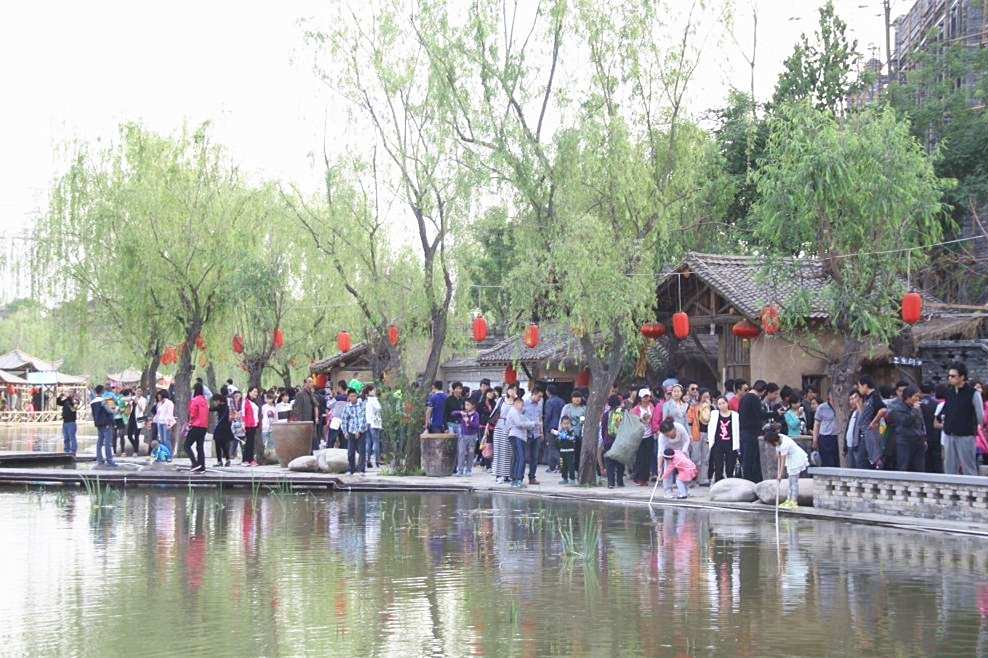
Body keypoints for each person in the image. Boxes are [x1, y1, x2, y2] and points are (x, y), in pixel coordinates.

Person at [940, 361, 984, 475]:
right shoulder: (949, 392)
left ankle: (972, 490)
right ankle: (950, 489)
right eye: (949, 376)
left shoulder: (973, 393)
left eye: (953, 376)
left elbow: (980, 414)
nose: (950, 378)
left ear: (962, 377)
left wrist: (978, 427)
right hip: (949, 433)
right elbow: (946, 410)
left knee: (968, 466)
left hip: (966, 435)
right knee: (949, 466)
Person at [763, 425, 808, 509]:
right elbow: (778, 453)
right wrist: (777, 453)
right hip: (791, 458)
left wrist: (780, 474)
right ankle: (789, 499)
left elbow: (782, 462)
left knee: (793, 481)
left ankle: (794, 501)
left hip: (796, 458)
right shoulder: (779, 438)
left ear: (774, 441)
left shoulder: (784, 445)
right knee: (790, 480)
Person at [885, 385, 926, 472]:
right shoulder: (897, 408)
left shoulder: (917, 408)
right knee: (904, 465)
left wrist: (924, 437)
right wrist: (914, 411)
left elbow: (921, 422)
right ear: (908, 397)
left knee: (919, 467)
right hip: (905, 440)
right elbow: (904, 421)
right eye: (916, 396)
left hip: (918, 439)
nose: (918, 398)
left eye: (919, 396)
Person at [505, 395, 539, 488]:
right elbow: (519, 424)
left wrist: (530, 423)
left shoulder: (519, 413)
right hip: (516, 436)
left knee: (517, 458)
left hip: (519, 437)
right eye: (521, 404)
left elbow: (524, 421)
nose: (522, 407)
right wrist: (532, 424)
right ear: (516, 403)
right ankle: (518, 479)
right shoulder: (514, 411)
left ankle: (515, 479)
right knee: (521, 458)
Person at [855, 375, 887, 469]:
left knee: (871, 459)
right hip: (864, 433)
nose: (859, 389)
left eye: (859, 386)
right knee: (862, 460)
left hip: (871, 433)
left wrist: (874, 422)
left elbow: (883, 409)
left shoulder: (875, 397)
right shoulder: (867, 399)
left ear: (865, 385)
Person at [631, 389, 662, 486]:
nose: (647, 398)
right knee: (640, 458)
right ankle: (638, 477)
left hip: (649, 435)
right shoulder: (635, 409)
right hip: (639, 436)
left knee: (648, 457)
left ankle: (645, 478)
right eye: (645, 397)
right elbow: (632, 421)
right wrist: (641, 419)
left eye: (648, 396)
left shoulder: (652, 407)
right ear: (640, 398)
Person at [737, 380, 765, 482]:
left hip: (743, 431)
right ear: (762, 391)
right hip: (752, 432)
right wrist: (775, 413)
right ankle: (751, 480)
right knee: (752, 458)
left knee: (746, 457)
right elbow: (760, 414)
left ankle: (747, 478)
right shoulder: (754, 399)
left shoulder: (743, 399)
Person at [707, 396, 739, 482]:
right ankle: (718, 483)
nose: (722, 405)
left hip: (730, 443)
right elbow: (710, 428)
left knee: (730, 467)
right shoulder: (714, 414)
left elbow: (737, 430)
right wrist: (710, 441)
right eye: (719, 404)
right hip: (718, 443)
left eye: (723, 403)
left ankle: (729, 483)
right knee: (718, 466)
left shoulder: (735, 415)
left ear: (727, 403)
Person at [657, 418, 690, 498]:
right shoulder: (662, 437)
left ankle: (684, 490)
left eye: (669, 433)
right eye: (666, 435)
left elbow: (687, 440)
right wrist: (659, 468)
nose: (668, 436)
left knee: (684, 471)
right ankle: (667, 490)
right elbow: (661, 452)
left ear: (673, 429)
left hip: (682, 449)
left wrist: (683, 453)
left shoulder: (680, 428)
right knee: (667, 470)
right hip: (669, 452)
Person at [489, 385, 515, 483]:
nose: (512, 392)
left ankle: (507, 474)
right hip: (499, 426)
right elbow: (494, 412)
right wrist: (489, 426)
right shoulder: (501, 400)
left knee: (508, 451)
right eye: (511, 389)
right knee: (499, 451)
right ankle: (498, 474)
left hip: (510, 427)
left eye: (514, 390)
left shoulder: (517, 402)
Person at [687, 389, 712, 485]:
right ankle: (693, 477)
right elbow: (689, 421)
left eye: (708, 397)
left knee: (706, 457)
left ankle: (703, 478)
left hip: (707, 434)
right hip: (696, 433)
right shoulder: (694, 407)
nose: (706, 399)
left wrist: (710, 407)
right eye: (704, 396)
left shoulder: (711, 408)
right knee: (695, 457)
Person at [600, 394, 625, 488]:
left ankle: (610, 482)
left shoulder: (606, 414)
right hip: (620, 440)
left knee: (609, 462)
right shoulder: (622, 412)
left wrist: (604, 438)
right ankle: (620, 481)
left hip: (608, 440)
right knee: (620, 461)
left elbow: (603, 428)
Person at [341, 388, 368, 475]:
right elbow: (344, 419)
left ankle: (361, 470)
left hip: (361, 431)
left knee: (361, 451)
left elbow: (362, 418)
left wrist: (359, 431)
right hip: (351, 431)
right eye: (351, 396)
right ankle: (350, 469)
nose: (353, 398)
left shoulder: (361, 405)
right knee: (350, 452)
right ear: (348, 397)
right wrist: (344, 431)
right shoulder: (347, 407)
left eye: (354, 396)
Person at [560, 390, 587, 473]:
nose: (577, 399)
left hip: (580, 433)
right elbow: (562, 419)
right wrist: (561, 432)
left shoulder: (584, 408)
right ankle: (566, 469)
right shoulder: (567, 407)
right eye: (575, 397)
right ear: (571, 398)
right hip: (569, 433)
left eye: (579, 397)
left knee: (578, 452)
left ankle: (577, 469)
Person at [185, 382, 209, 474]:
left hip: (195, 425)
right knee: (200, 447)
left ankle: (195, 463)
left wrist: (189, 423)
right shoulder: (204, 400)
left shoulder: (195, 400)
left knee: (187, 445)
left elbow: (193, 414)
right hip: (203, 426)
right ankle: (202, 466)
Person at [90, 385, 117, 467]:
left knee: (99, 442)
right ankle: (109, 460)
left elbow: (93, 414)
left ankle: (100, 459)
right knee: (108, 442)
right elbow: (109, 411)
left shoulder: (92, 401)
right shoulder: (104, 400)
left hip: (98, 423)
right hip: (106, 423)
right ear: (102, 391)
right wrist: (115, 410)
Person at [452, 398, 480, 476]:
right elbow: (453, 413)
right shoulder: (463, 413)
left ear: (473, 405)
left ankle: (468, 469)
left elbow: (476, 425)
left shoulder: (475, 415)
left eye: (468, 405)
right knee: (461, 452)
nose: (466, 406)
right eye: (465, 405)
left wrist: (469, 422)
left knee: (470, 453)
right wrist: (460, 412)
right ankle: (460, 469)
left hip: (472, 437)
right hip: (463, 436)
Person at [919, 383, 943, 473]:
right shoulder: (937, 404)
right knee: (936, 459)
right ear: (932, 392)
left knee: (924, 460)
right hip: (935, 435)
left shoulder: (917, 405)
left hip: (922, 436)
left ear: (920, 392)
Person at [812, 391, 840, 467]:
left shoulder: (841, 406)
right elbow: (816, 424)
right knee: (826, 461)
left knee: (837, 461)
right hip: (825, 437)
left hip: (837, 437)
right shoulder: (821, 408)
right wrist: (815, 439)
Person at [522, 387, 544, 485]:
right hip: (526, 432)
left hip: (536, 433)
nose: (540, 398)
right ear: (533, 394)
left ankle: (532, 477)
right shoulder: (524, 404)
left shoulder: (539, 405)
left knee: (534, 457)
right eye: (539, 396)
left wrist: (541, 432)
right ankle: (519, 477)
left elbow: (540, 419)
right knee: (523, 456)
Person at [542, 384, 565, 474]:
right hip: (561, 426)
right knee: (559, 447)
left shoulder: (549, 402)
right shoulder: (562, 401)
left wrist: (545, 425)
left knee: (552, 447)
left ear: (548, 392)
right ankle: (560, 466)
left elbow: (548, 415)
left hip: (551, 427)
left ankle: (552, 466)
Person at [291, 378, 319, 453]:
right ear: (305, 383)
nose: (311, 384)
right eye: (309, 382)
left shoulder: (312, 394)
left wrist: (316, 417)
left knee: (313, 440)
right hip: (304, 420)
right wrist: (298, 421)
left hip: (312, 421)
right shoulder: (300, 394)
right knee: (305, 440)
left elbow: (316, 405)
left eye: (312, 382)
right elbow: (297, 409)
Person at [552, 415, 577, 484]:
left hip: (570, 451)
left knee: (570, 465)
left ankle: (572, 479)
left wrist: (566, 436)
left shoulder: (571, 431)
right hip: (562, 451)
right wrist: (559, 438)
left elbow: (573, 439)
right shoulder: (561, 432)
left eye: (568, 423)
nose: (566, 425)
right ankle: (564, 478)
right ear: (561, 424)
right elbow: (557, 442)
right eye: (564, 423)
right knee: (563, 465)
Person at [211, 392, 233, 467]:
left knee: (217, 444)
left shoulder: (220, 407)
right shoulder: (226, 406)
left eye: (216, 401)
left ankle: (219, 461)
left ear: (219, 400)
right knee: (224, 445)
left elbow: (211, 409)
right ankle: (228, 459)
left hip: (220, 428)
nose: (215, 403)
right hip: (226, 428)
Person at [364, 384, 383, 469]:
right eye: (374, 390)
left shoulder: (366, 400)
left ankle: (367, 460)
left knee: (368, 442)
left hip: (367, 422)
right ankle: (377, 460)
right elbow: (379, 408)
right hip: (374, 423)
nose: (375, 391)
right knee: (376, 442)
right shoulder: (373, 400)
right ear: (370, 391)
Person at [241, 386, 261, 466]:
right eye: (254, 391)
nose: (256, 393)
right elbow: (243, 412)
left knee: (251, 443)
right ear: (249, 392)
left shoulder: (254, 403)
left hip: (254, 425)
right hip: (248, 425)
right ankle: (245, 460)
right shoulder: (246, 402)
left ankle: (251, 459)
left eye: (256, 392)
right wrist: (243, 423)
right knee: (248, 442)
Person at [126, 387, 148, 454]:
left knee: (136, 435)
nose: (138, 392)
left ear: (142, 392)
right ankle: (135, 446)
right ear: (135, 391)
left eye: (140, 391)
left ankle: (136, 451)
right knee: (129, 435)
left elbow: (143, 410)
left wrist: (137, 403)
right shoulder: (132, 398)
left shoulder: (143, 400)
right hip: (131, 417)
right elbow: (124, 401)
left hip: (139, 418)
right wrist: (129, 401)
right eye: (137, 391)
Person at [56, 391, 78, 456]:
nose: (69, 394)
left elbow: (73, 409)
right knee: (66, 438)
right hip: (65, 422)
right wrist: (60, 396)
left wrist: (70, 401)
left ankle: (73, 452)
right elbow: (58, 402)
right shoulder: (66, 401)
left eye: (71, 392)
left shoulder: (75, 401)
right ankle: (66, 451)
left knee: (72, 437)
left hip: (71, 422)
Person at [844, 391, 861, 468]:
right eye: (850, 399)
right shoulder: (852, 413)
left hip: (857, 445)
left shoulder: (861, 412)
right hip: (849, 446)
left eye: (854, 398)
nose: (852, 402)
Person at [260, 392, 277, 458]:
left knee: (271, 443)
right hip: (264, 427)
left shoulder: (274, 408)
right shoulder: (264, 407)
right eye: (268, 398)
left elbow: (276, 418)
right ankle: (264, 455)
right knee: (264, 442)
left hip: (272, 428)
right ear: (266, 399)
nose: (270, 400)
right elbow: (261, 416)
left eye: (271, 398)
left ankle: (270, 456)